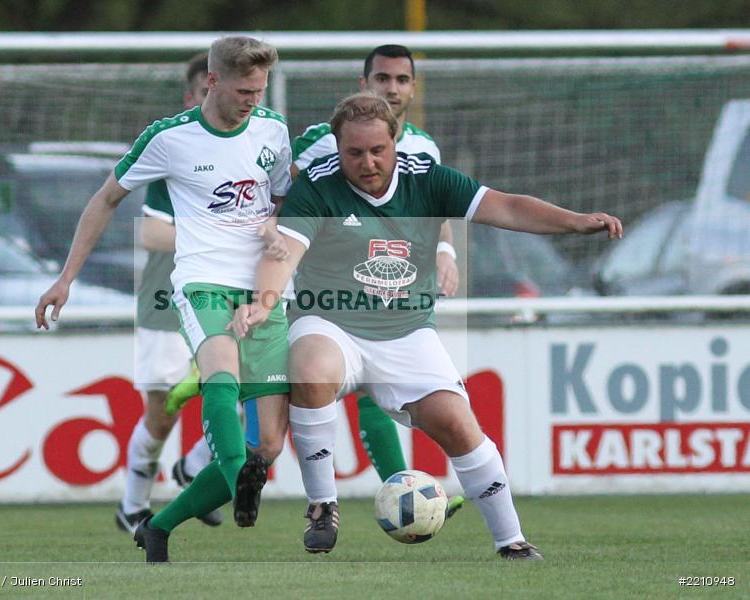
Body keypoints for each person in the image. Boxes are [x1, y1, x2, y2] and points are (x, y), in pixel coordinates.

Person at [231, 93, 623, 559]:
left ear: (395, 140)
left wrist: (575, 222)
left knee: (457, 424)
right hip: (331, 322)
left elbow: (509, 207)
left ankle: (511, 540)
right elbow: (285, 254)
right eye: (354, 153)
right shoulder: (317, 187)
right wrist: (264, 300)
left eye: (378, 150)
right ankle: (322, 506)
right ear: (338, 148)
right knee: (312, 368)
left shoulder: (429, 178)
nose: (368, 162)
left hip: (408, 332)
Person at [35, 36, 293, 564]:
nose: (253, 100)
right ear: (212, 81)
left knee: (267, 445)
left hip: (265, 290)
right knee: (219, 372)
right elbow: (106, 198)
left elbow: (281, 199)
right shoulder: (169, 137)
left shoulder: (273, 130)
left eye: (260, 90)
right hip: (202, 282)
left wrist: (273, 225)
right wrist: (65, 278)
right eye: (244, 90)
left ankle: (159, 525)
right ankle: (235, 481)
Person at [291, 44, 463, 544]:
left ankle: (404, 491)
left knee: (373, 387)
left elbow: (433, 207)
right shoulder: (318, 143)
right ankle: (208, 464)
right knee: (283, 394)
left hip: (392, 289)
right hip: (328, 294)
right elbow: (288, 197)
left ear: (413, 87)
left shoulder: (424, 147)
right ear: (363, 85)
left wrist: (446, 251)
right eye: (382, 79)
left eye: (402, 80)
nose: (392, 88)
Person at [115, 52, 223, 534]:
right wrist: (224, 235)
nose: (212, 102)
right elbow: (152, 234)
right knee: (160, 418)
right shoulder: (174, 149)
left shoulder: (250, 149)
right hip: (167, 301)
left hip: (226, 296)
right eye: (204, 93)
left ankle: (196, 467)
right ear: (190, 97)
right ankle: (132, 504)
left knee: (255, 389)